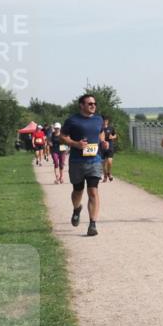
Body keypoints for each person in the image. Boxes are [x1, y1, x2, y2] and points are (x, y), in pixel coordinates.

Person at [60, 94, 108, 237]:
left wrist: (103, 142)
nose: (93, 105)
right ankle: (76, 208)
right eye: (90, 103)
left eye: (94, 103)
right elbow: (62, 136)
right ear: (81, 105)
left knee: (93, 191)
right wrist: (76, 144)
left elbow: (101, 134)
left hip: (94, 160)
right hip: (76, 161)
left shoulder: (99, 119)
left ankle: (92, 224)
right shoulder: (72, 120)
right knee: (78, 191)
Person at [101, 117, 118, 182]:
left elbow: (115, 135)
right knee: (103, 163)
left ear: (107, 121)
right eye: (103, 120)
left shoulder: (111, 128)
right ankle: (105, 176)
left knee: (109, 161)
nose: (105, 121)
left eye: (106, 120)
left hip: (110, 146)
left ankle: (109, 173)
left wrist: (112, 137)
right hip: (102, 147)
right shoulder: (100, 128)